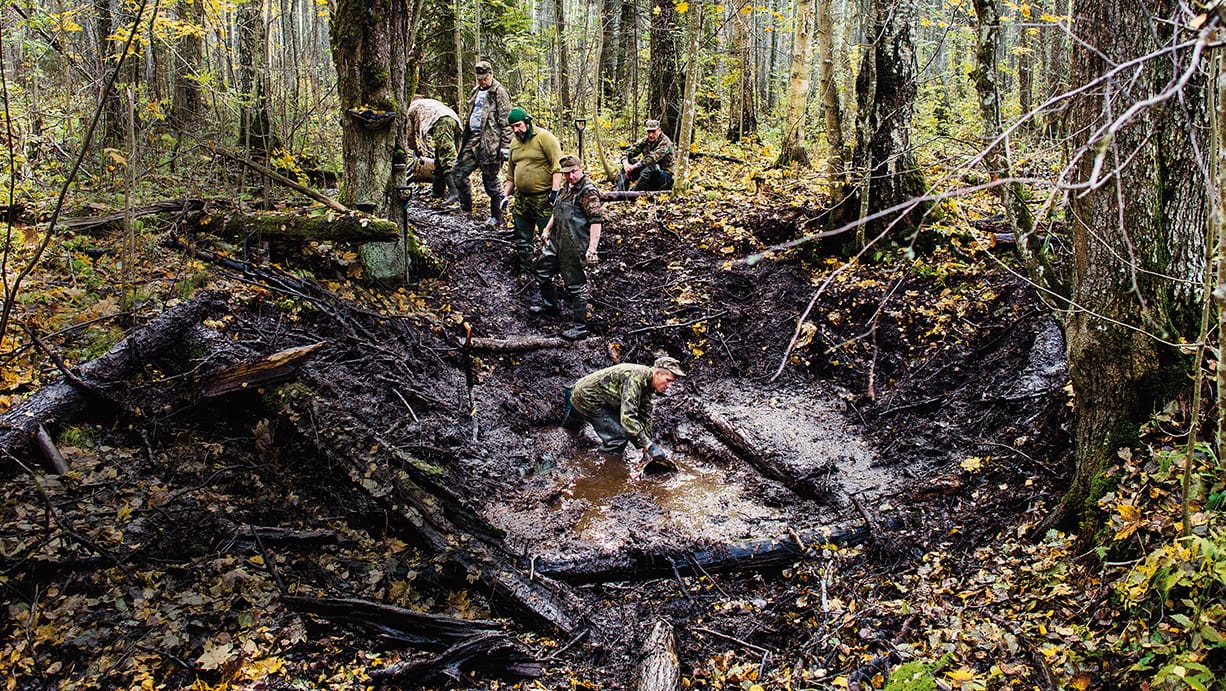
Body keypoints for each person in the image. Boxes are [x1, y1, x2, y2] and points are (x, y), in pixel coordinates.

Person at [563, 356, 686, 472]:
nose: (670, 386)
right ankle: (607, 470)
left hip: (591, 394)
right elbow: (628, 417)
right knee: (619, 437)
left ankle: (568, 431)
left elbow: (645, 417)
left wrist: (646, 450)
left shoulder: (647, 384)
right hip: (588, 397)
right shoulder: (636, 378)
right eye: (668, 380)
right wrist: (650, 446)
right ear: (657, 373)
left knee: (574, 426)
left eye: (672, 383)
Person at [531, 153, 602, 340]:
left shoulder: (588, 191)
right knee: (542, 270)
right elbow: (557, 210)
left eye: (574, 172)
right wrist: (546, 229)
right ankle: (550, 306)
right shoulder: (565, 187)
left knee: (576, 284)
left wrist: (592, 249)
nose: (570, 176)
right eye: (566, 173)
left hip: (575, 243)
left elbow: (596, 221)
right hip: (556, 240)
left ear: (581, 169)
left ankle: (580, 327)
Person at [502, 107, 563, 275]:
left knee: (548, 237)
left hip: (543, 198)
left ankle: (549, 274)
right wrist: (505, 195)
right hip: (521, 199)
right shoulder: (514, 143)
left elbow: (557, 167)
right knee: (522, 238)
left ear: (527, 122)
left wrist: (554, 192)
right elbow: (510, 175)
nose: (516, 130)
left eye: (518, 125)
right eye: (512, 127)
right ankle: (526, 272)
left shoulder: (545, 138)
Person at [454, 60, 512, 225]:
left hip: (490, 143)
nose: (482, 81)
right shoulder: (475, 91)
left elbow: (506, 122)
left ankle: (497, 215)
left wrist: (505, 147)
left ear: (491, 75)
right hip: (473, 139)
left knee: (491, 182)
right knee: (458, 172)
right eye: (479, 78)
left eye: (484, 78)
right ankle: (465, 208)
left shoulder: (499, 92)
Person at [404, 96, 462, 201]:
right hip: (454, 120)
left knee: (447, 157)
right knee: (440, 158)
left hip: (442, 121)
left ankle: (456, 193)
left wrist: (415, 148)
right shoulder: (431, 102)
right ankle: (437, 192)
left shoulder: (412, 107)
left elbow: (410, 134)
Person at [616, 119, 675, 192]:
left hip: (664, 177)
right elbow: (628, 152)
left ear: (659, 130)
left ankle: (632, 194)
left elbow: (652, 159)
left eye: (653, 131)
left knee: (650, 167)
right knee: (628, 164)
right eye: (648, 131)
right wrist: (626, 164)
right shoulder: (645, 140)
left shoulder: (665, 143)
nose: (651, 134)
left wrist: (634, 167)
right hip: (647, 173)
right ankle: (620, 192)